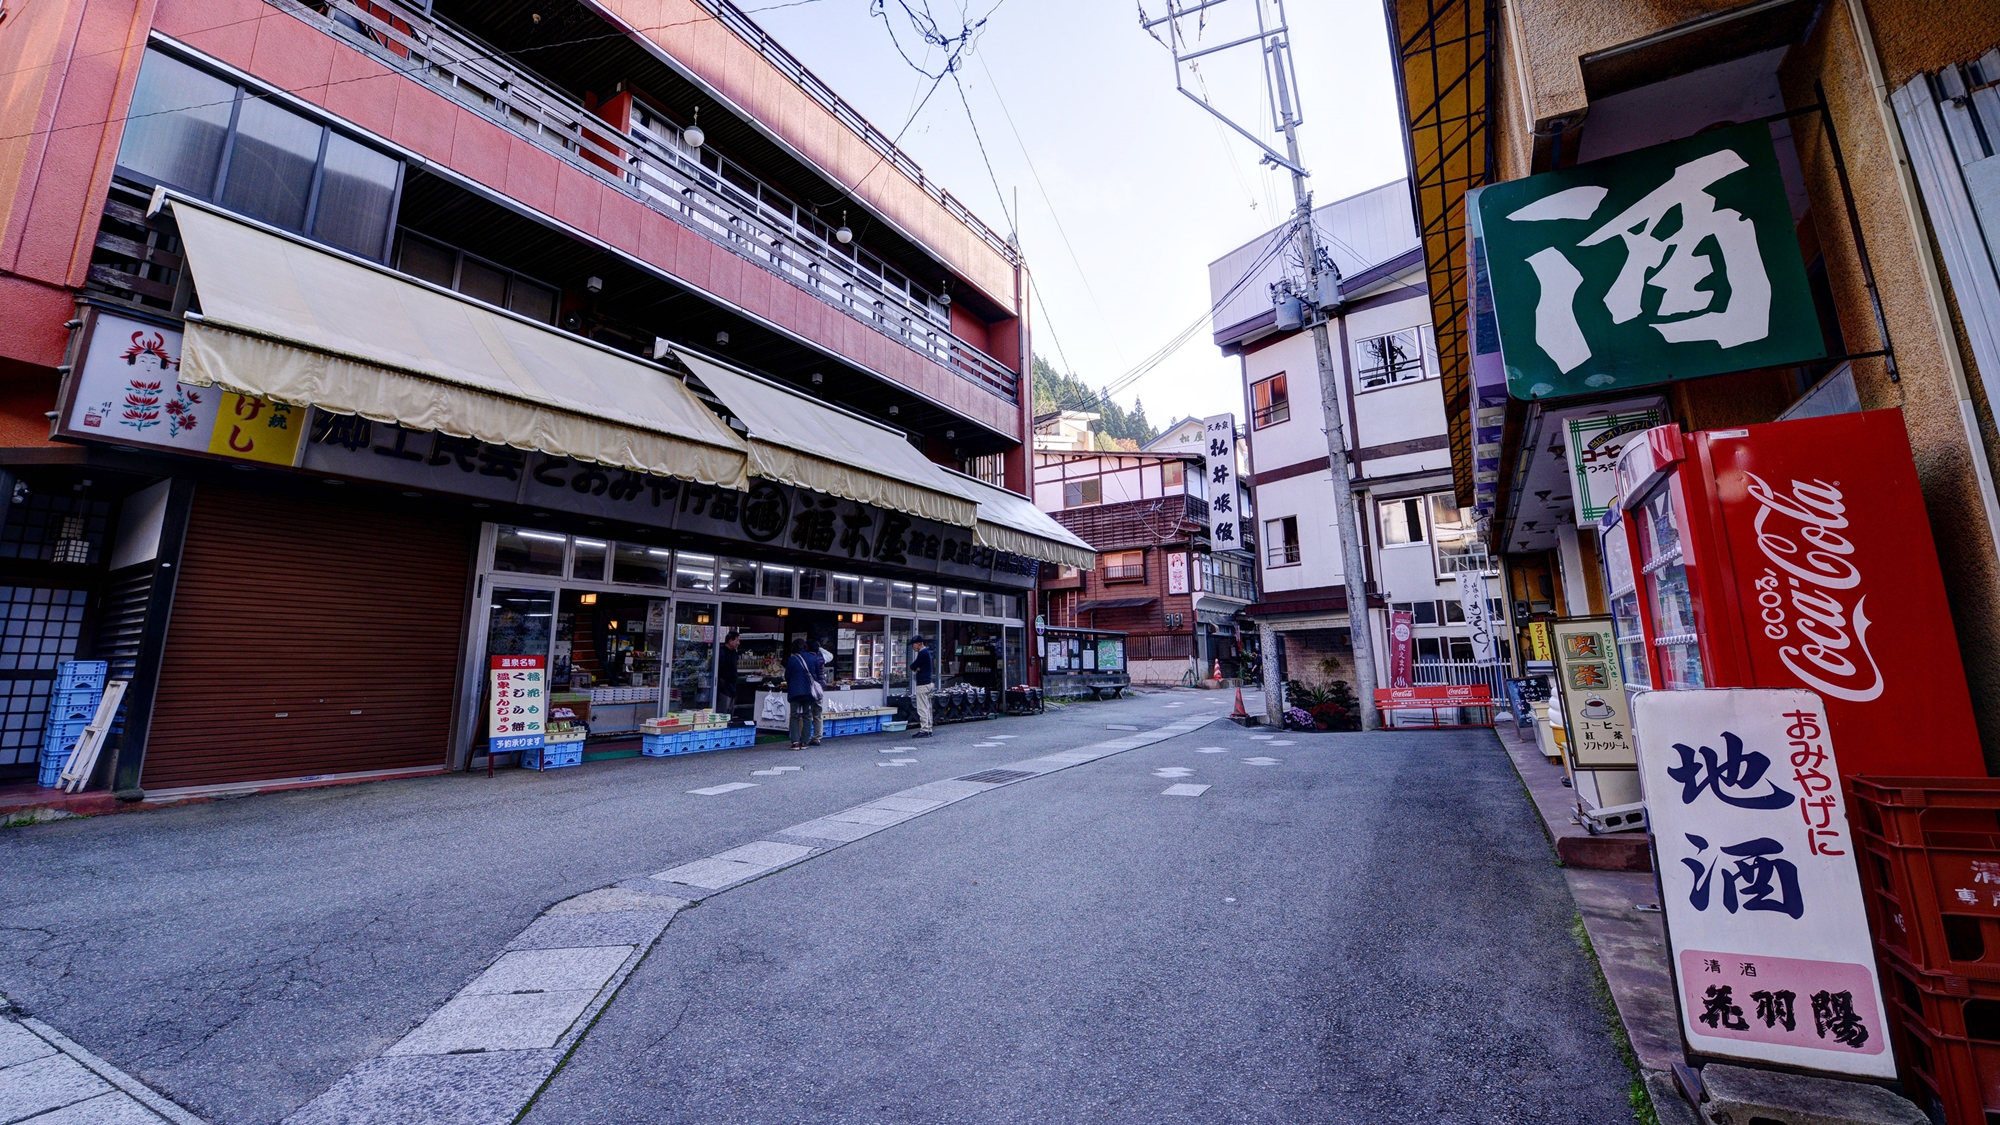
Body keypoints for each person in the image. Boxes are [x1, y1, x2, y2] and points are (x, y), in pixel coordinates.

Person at [784, 637, 820, 751]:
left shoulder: (792, 660)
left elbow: (787, 676)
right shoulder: (813, 658)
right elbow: (817, 676)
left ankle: (795, 742)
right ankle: (805, 741)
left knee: (794, 716)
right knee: (807, 716)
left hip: (795, 692)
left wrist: (792, 685)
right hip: (808, 692)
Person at [909, 636, 935, 737]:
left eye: (913, 645)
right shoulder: (927, 653)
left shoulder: (922, 653)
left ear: (918, 644)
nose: (913, 647)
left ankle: (924, 730)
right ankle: (928, 728)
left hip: (922, 685)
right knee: (928, 707)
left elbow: (913, 666)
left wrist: (916, 668)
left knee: (922, 708)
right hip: (928, 684)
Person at [716, 631, 741, 721]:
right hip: (723, 686)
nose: (738, 643)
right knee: (722, 712)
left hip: (732, 685)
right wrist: (720, 679)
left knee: (730, 712)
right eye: (737, 640)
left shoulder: (734, 653)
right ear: (730, 640)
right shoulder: (721, 652)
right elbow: (719, 667)